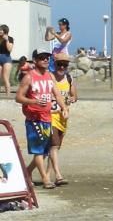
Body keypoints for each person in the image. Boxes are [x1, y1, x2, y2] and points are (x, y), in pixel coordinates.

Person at [15, 51, 67, 189]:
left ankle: (27, 172)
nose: (45, 60)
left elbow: (56, 93)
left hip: (47, 118)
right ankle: (45, 179)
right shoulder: (29, 77)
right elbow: (18, 97)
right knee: (38, 151)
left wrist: (64, 108)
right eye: (42, 58)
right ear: (35, 61)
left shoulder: (49, 76)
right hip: (33, 119)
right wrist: (34, 101)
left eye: (47, 58)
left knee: (44, 151)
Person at [47, 53, 77, 185]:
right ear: (55, 64)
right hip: (50, 116)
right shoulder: (49, 77)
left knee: (55, 148)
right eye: (59, 64)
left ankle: (42, 174)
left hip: (63, 117)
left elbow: (75, 95)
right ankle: (58, 176)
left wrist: (72, 99)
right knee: (53, 146)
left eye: (65, 65)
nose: (62, 67)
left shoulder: (69, 78)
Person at [0, 25, 14, 95]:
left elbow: (9, 49)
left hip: (6, 58)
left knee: (5, 78)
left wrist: (6, 40)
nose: (0, 31)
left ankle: (8, 95)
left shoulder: (10, 38)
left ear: (5, 31)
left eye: (1, 30)